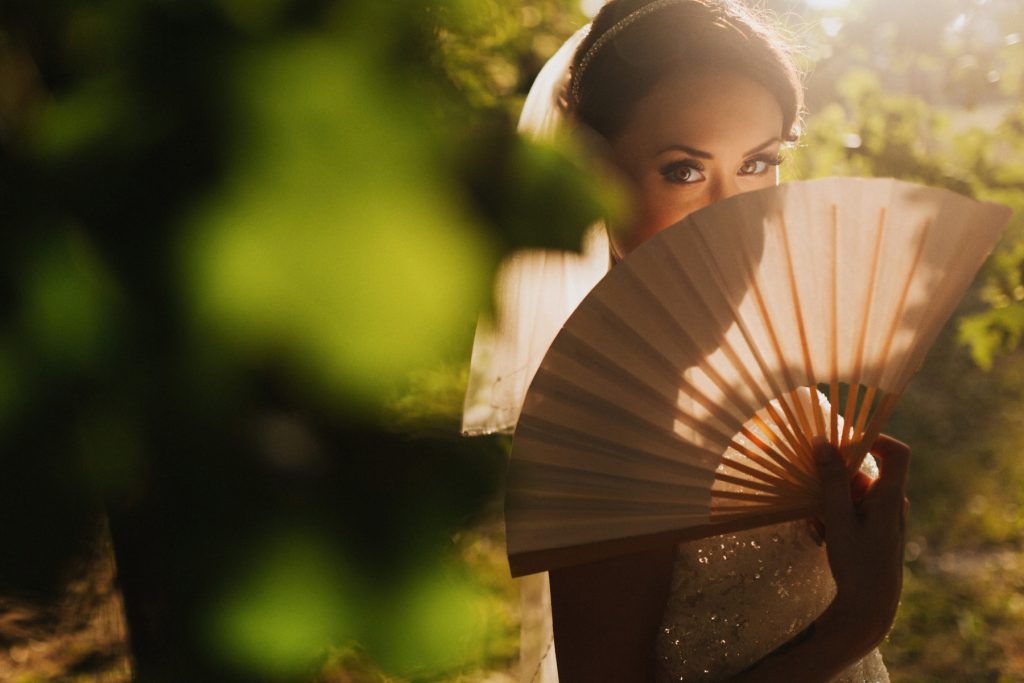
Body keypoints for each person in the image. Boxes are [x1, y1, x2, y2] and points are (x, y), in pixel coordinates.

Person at [463, 1, 910, 681]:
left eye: (758, 162)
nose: (733, 212)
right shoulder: (606, 418)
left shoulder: (735, 344)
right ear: (591, 172)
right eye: (684, 170)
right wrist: (859, 619)